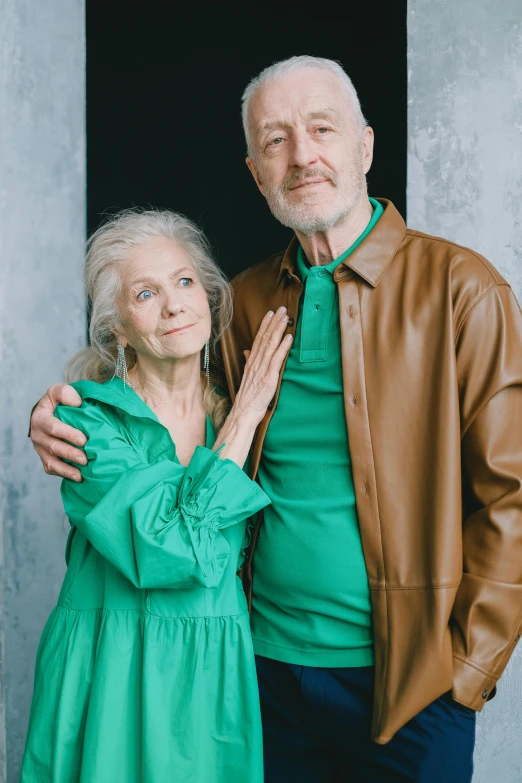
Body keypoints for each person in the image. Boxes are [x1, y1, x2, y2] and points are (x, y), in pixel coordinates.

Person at [30, 56, 522, 783]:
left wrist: (467, 668)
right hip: (260, 676)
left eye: (321, 129)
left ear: (365, 146)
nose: (302, 155)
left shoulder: (463, 288)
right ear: (257, 172)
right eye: (275, 141)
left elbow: (511, 492)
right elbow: (176, 411)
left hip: (413, 685)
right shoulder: (250, 300)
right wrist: (57, 407)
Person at [22, 209, 292, 783]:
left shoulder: (238, 412)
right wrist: (245, 416)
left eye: (185, 282)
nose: (174, 305)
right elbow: (170, 548)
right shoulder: (88, 422)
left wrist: (240, 414)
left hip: (216, 672)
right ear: (116, 326)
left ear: (208, 294)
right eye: (145, 293)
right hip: (109, 666)